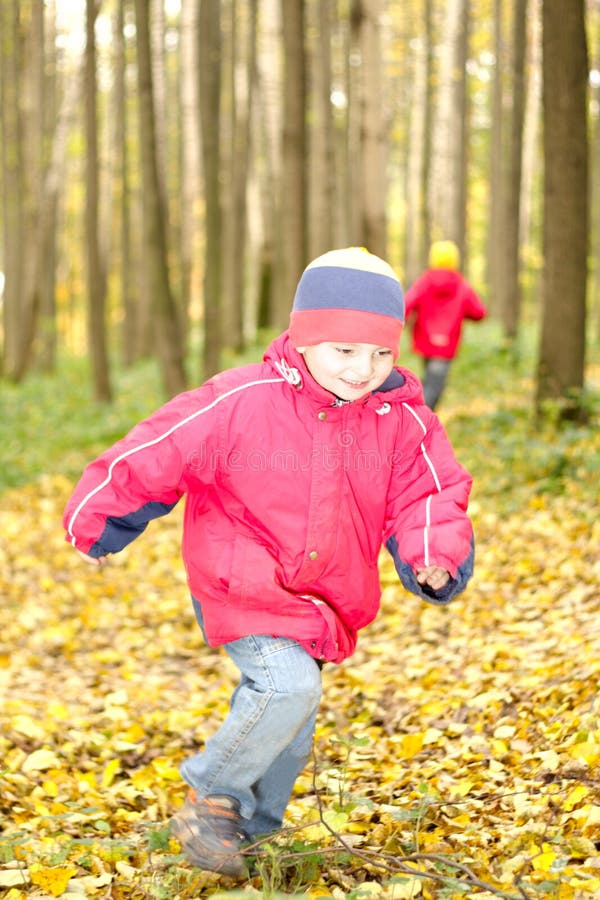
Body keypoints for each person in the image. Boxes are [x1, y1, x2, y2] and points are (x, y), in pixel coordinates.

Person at [63, 247, 475, 879]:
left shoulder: (402, 420)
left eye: (381, 354)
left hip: (323, 595)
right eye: (345, 350)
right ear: (304, 338)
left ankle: (253, 840)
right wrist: (98, 516)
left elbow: (429, 493)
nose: (365, 369)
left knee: (295, 722)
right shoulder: (241, 399)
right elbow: (157, 448)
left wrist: (431, 553)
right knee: (288, 687)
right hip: (242, 579)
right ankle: (211, 797)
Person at [404, 240, 487, 410]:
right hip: (447, 346)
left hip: (425, 343)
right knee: (434, 387)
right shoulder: (461, 285)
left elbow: (406, 304)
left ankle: (417, 421)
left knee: (429, 384)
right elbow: (479, 312)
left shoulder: (424, 281)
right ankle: (419, 423)